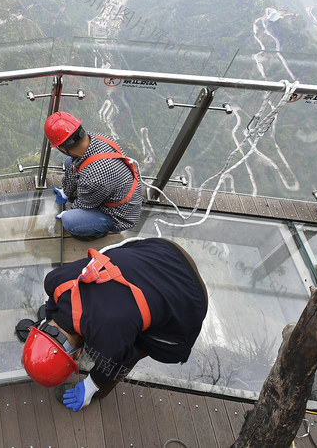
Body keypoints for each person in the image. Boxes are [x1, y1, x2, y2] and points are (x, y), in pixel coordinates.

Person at [19, 238, 208, 411]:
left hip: (191, 297)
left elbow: (116, 361)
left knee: (130, 350)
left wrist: (91, 385)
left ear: (76, 353)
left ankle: (101, 392)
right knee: (123, 326)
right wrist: (46, 325)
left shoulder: (109, 336)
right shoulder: (54, 280)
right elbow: (54, 303)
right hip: (164, 251)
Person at [44, 111, 143, 240]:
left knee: (70, 221)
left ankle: (99, 232)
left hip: (119, 216)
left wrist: (69, 211)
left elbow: (84, 204)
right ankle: (68, 193)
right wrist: (66, 192)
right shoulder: (97, 138)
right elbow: (75, 166)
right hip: (116, 190)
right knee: (70, 161)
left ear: (62, 148)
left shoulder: (94, 177)